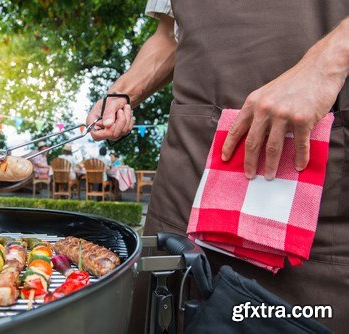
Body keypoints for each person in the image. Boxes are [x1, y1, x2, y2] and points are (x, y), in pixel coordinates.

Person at [86, 1, 349, 332]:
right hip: (188, 170)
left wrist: (327, 63)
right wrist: (122, 94)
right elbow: (170, 34)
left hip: (313, 171)